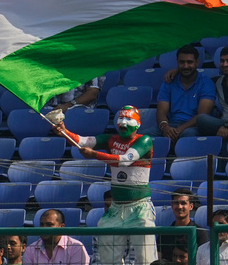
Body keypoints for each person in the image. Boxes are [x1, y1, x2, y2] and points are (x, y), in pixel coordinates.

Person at [53, 105, 157, 265]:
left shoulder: (144, 140)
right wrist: (64, 132)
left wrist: (94, 154)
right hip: (116, 208)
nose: (123, 123)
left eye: (128, 119)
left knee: (146, 258)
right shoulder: (111, 139)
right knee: (107, 249)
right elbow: (84, 141)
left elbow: (126, 159)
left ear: (137, 124)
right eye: (120, 119)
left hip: (140, 208)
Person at [142, 45, 216, 142]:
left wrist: (179, 130)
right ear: (177, 62)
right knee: (142, 137)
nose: (185, 66)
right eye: (182, 62)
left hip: (193, 126)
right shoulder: (169, 82)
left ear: (197, 62)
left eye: (189, 62)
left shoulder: (206, 83)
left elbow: (202, 116)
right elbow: (161, 112)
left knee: (187, 135)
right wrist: (165, 128)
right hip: (171, 124)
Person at [157, 188, 208, 261]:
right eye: (176, 203)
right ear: (172, 205)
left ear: (191, 206)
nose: (179, 207)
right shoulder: (164, 234)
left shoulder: (200, 233)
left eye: (183, 203)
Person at [23, 209, 89, 265]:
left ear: (62, 227)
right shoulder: (30, 250)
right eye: (42, 224)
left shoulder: (76, 247)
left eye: (49, 225)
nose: (44, 228)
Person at [91, 190, 135, 265]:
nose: (110, 210)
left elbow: (132, 259)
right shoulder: (99, 229)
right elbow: (96, 259)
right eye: (107, 206)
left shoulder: (133, 228)